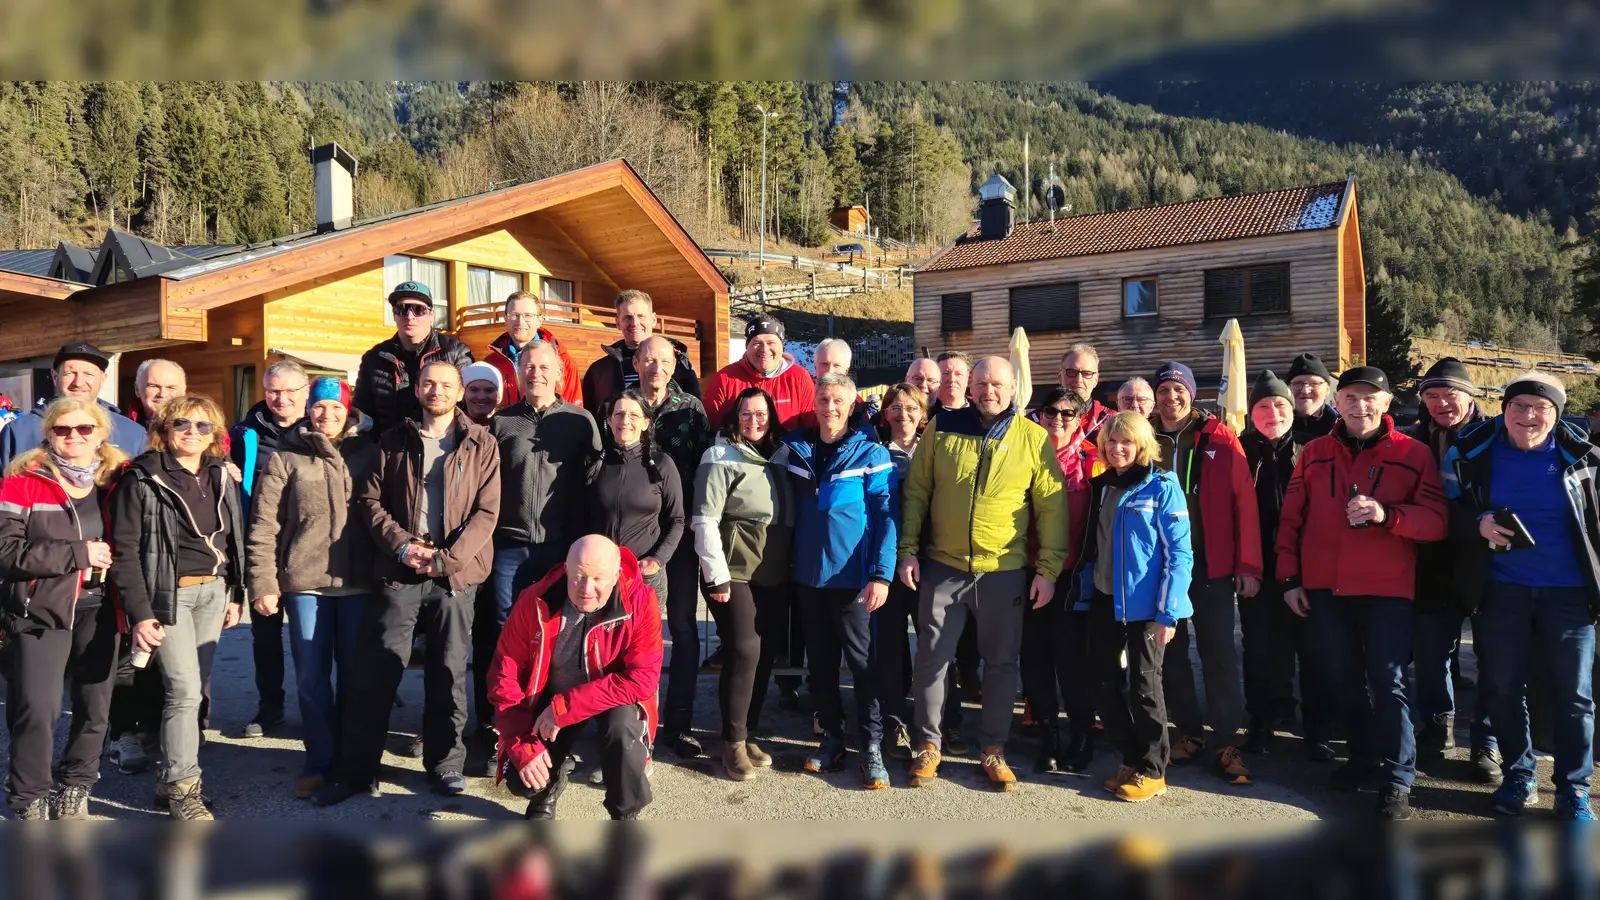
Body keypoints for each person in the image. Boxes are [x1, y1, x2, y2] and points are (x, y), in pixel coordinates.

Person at [318, 360, 501, 805]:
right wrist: (402, 548)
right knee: (377, 672)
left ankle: (445, 764)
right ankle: (358, 770)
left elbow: (487, 512)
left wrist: (446, 559)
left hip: (454, 577)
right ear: (417, 390)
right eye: (429, 384)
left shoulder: (482, 443)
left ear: (459, 393)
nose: (436, 391)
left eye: (446, 385)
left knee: (448, 672)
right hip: (400, 572)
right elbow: (370, 500)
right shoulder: (393, 440)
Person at [1277, 366, 1448, 820]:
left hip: (1386, 588)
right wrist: (1290, 579)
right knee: (1344, 679)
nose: (1360, 406)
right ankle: (1362, 758)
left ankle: (1397, 780)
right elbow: (1291, 519)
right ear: (1339, 402)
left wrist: (1387, 514)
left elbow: (1435, 522)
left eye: (1370, 397)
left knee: (1388, 682)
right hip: (1324, 586)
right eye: (1350, 397)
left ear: (1387, 403)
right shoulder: (1313, 452)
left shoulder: (1413, 453)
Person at [899, 356, 1066, 791]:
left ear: (1013, 389)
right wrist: (908, 551)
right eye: (981, 383)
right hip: (943, 565)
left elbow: (1050, 507)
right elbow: (917, 492)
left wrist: (1047, 570)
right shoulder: (943, 426)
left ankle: (994, 749)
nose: (989, 390)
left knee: (1001, 665)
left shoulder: (1032, 436)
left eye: (997, 383)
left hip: (1003, 571)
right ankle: (927, 745)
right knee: (932, 661)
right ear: (969, 387)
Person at [1443, 372, 1600, 820]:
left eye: (1541, 408)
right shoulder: (1472, 454)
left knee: (1574, 695)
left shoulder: (1584, 459)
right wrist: (1476, 523)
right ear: (1503, 409)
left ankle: (1573, 788)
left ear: (1556, 413)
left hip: (1569, 595)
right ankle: (1519, 775)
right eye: (1519, 406)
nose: (1528, 416)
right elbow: (1445, 509)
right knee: (1503, 687)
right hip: (1501, 589)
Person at [109, 394, 248, 820]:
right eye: (182, 425)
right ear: (164, 431)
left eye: (202, 426)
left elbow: (233, 539)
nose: (192, 433)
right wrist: (140, 612)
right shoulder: (142, 478)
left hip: (213, 591)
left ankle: (168, 781)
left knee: (194, 690)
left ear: (214, 435)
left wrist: (236, 592)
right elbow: (125, 551)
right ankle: (184, 790)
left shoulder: (220, 474)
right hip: (169, 597)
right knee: (184, 693)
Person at [244, 377, 379, 800]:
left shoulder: (370, 455)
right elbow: (264, 525)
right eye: (319, 408)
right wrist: (264, 582)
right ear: (309, 410)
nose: (327, 415)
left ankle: (356, 762)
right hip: (305, 585)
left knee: (357, 680)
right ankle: (319, 761)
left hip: (358, 585)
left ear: (349, 411)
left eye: (335, 408)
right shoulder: (286, 458)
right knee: (312, 680)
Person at [0, 399, 127, 819]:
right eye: (63, 430)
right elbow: (5, 551)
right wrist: (77, 553)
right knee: (37, 707)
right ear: (48, 435)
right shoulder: (22, 483)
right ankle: (28, 795)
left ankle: (76, 786)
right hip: (41, 611)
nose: (74, 436)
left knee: (95, 707)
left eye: (85, 429)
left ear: (102, 433)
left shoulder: (118, 481)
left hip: (102, 608)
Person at [478, 341, 601, 768]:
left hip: (560, 547)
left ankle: (552, 728)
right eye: (528, 366)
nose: (536, 373)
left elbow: (594, 484)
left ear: (559, 373)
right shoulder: (502, 423)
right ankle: (504, 727)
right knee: (503, 635)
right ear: (517, 374)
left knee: (557, 635)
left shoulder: (580, 421)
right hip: (509, 547)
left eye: (544, 367)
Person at [773, 373, 897, 789]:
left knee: (863, 666)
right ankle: (832, 738)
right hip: (808, 578)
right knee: (821, 665)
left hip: (853, 580)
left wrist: (881, 573)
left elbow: (885, 516)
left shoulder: (871, 452)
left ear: (851, 404)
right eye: (823, 399)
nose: (830, 407)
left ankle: (873, 746)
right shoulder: (794, 449)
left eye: (838, 400)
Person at [489, 535, 663, 820]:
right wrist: (522, 745)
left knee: (622, 730)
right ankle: (547, 790)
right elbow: (504, 675)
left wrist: (564, 709)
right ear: (566, 569)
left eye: (598, 579)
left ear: (617, 574)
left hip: (610, 698)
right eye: (578, 577)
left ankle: (625, 812)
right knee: (522, 782)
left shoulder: (642, 602)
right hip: (551, 696)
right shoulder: (534, 600)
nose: (586, 589)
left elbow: (641, 680)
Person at [1147, 361, 1260, 785]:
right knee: (1171, 654)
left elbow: (1243, 503)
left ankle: (1227, 741)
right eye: (1164, 390)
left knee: (1218, 655)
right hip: (1161, 567)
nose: (1171, 397)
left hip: (1210, 563)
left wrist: (1248, 564)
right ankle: (1189, 733)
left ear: (1191, 394)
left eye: (1179, 389)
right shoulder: (1146, 436)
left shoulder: (1220, 437)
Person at [1073, 412, 1193, 803]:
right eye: (1111, 441)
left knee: (1145, 686)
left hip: (1147, 606)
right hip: (1105, 599)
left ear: (1141, 445)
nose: (1117, 448)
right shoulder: (1103, 487)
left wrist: (1169, 611)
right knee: (1101, 682)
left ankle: (1154, 769)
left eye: (1126, 442)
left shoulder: (1162, 487)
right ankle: (1130, 757)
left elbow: (1180, 553)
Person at [692, 387, 793, 781]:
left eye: (762, 414)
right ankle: (732, 742)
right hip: (733, 572)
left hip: (773, 573)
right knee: (745, 648)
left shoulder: (782, 455)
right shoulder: (719, 455)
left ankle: (747, 731)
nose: (755, 421)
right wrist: (715, 573)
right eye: (747, 414)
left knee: (765, 650)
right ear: (735, 417)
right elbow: (704, 518)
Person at [1405, 358, 1498, 783]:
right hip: (1432, 562)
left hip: (1489, 564)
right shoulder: (1414, 441)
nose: (1442, 403)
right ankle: (1437, 728)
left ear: (1471, 393)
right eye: (1432, 395)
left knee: (1493, 658)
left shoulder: (1497, 437)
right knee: (1430, 656)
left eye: (1451, 394)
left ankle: (1487, 742)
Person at [1238, 370, 1332, 761]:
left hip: (1307, 566)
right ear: (1252, 412)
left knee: (1314, 650)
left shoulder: (1314, 450)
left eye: (1279, 404)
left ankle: (1317, 729)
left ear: (1291, 409)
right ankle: (1263, 719)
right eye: (1263, 405)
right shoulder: (1239, 451)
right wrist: (1243, 566)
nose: (1272, 411)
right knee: (1261, 648)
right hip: (1257, 566)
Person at [633, 335, 713, 759]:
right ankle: (629, 720)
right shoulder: (621, 407)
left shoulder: (690, 409)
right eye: (649, 360)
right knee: (630, 631)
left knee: (681, 627)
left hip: (679, 536)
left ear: (675, 364)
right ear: (636, 361)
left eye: (664, 361)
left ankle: (678, 721)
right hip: (633, 537)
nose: (656, 368)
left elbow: (705, 470)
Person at [105, 358, 186, 775]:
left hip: (178, 565)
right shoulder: (120, 433)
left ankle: (162, 729)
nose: (161, 395)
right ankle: (123, 735)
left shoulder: (194, 432)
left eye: (171, 388)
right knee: (127, 654)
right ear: (138, 391)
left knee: (167, 657)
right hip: (132, 557)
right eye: (153, 387)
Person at [1023, 386, 1103, 775]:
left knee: (1074, 661)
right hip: (1028, 569)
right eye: (1050, 411)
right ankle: (1048, 735)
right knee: (1035, 658)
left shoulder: (1095, 459)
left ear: (1081, 418)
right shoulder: (1025, 454)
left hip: (1077, 575)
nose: (1057, 418)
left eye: (1067, 413)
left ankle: (1082, 735)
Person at [230, 359, 311, 740]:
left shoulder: (320, 429)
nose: (281, 399)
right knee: (265, 633)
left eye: (289, 391)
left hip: (310, 549)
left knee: (312, 635)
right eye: (274, 391)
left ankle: (320, 706)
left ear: (305, 392)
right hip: (262, 545)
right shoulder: (244, 434)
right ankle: (270, 706)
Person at [586, 391, 684, 607]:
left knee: (643, 640)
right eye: (619, 414)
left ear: (645, 423)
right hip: (600, 574)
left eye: (634, 415)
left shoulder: (661, 464)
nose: (625, 421)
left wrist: (657, 560)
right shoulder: (594, 464)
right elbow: (579, 516)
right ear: (609, 421)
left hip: (644, 574)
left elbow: (677, 520)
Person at [353, 281, 475, 436]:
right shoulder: (374, 358)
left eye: (418, 309)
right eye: (402, 309)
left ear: (431, 314)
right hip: (389, 450)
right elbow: (363, 412)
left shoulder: (457, 353)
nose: (410, 317)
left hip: (443, 446)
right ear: (394, 315)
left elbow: (469, 405)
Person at [0, 342, 146, 468]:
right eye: (70, 373)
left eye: (88, 374)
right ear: (55, 377)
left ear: (103, 379)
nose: (78, 382)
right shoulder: (19, 432)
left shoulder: (132, 434)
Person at [581, 289, 700, 414]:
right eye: (627, 318)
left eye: (641, 316)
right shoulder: (600, 371)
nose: (635, 323)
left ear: (653, 319)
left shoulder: (680, 365)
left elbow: (694, 413)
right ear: (618, 322)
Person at [701, 315, 816, 431]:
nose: (764, 349)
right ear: (747, 346)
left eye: (771, 343)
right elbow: (711, 427)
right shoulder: (725, 379)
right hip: (737, 447)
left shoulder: (799, 377)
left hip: (787, 447)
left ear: (782, 346)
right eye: (757, 343)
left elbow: (810, 426)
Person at [483, 291, 580, 408]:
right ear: (506, 319)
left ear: (539, 320)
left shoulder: (563, 362)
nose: (520, 322)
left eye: (528, 316)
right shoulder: (491, 364)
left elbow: (573, 411)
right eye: (514, 315)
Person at [1057, 343, 1113, 438]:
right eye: (1071, 372)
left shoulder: (1111, 421)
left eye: (1086, 373)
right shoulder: (1040, 420)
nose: (1078, 380)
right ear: (1059, 377)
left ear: (1096, 380)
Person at [1287, 352, 1338, 442]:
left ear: (1327, 389)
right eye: (1297, 384)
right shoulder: (1274, 428)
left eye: (1314, 384)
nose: (1305, 390)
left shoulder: (1343, 429)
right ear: (1288, 389)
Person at [131, 359, 187, 425]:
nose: (162, 394)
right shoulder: (120, 427)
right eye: (154, 386)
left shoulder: (195, 429)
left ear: (183, 391)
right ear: (137, 389)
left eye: (171, 388)